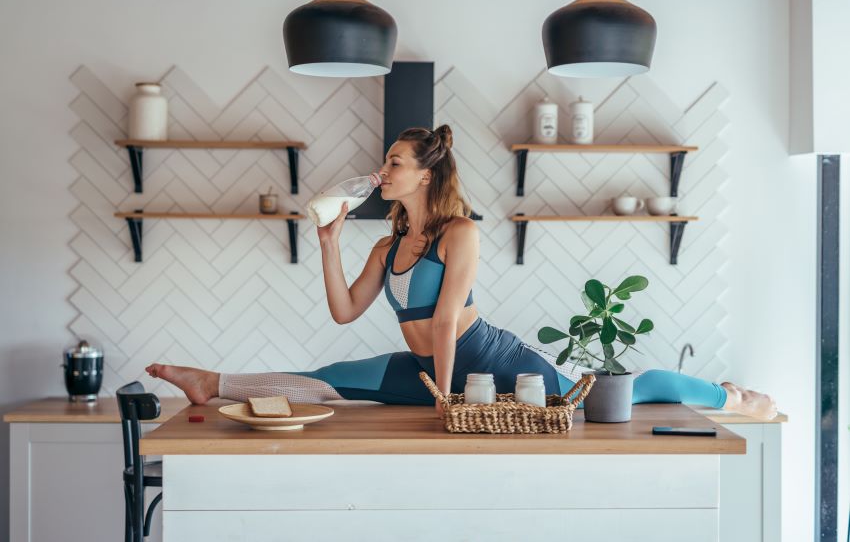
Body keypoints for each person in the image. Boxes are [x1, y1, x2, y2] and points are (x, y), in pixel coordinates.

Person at [146, 125, 777, 421]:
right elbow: (344, 311)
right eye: (385, 162)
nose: (382, 171)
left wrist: (446, 399)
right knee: (330, 380)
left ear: (424, 174)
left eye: (393, 163)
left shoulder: (460, 232)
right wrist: (329, 244)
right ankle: (213, 382)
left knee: (614, 393)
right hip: (430, 368)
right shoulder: (386, 246)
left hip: (496, 362)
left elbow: (447, 319)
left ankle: (730, 398)